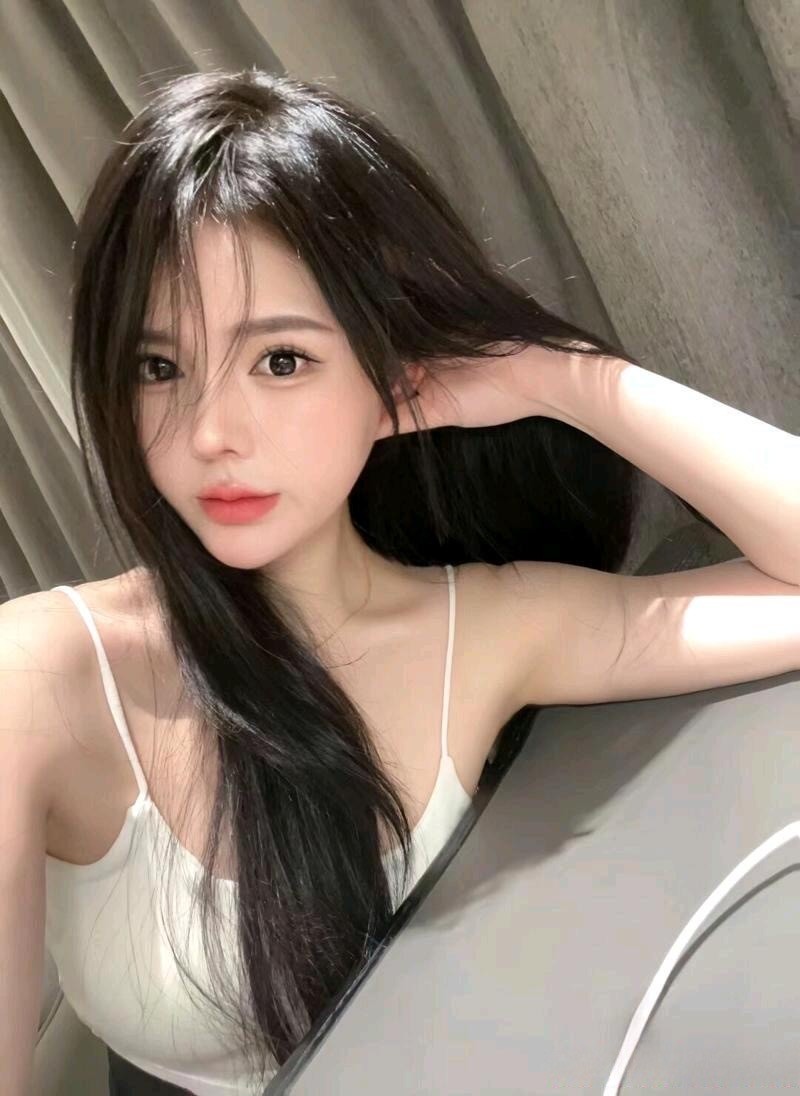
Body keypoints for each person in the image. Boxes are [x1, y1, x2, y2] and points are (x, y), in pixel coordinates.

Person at [5, 68, 797, 1096]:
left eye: (279, 361)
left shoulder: (488, 627)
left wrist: (554, 378)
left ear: (384, 369)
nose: (209, 435)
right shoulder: (41, 678)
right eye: (159, 368)